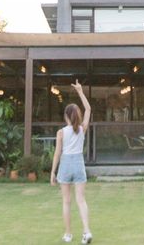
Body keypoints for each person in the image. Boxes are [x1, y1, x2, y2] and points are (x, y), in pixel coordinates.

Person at [50, 80, 92, 244]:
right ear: (78, 116)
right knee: (81, 200)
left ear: (66, 116)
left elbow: (57, 154)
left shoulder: (60, 132)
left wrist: (53, 172)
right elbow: (88, 109)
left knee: (66, 202)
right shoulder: (82, 129)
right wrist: (81, 91)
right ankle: (86, 231)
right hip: (79, 164)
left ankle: (68, 234)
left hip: (66, 165)